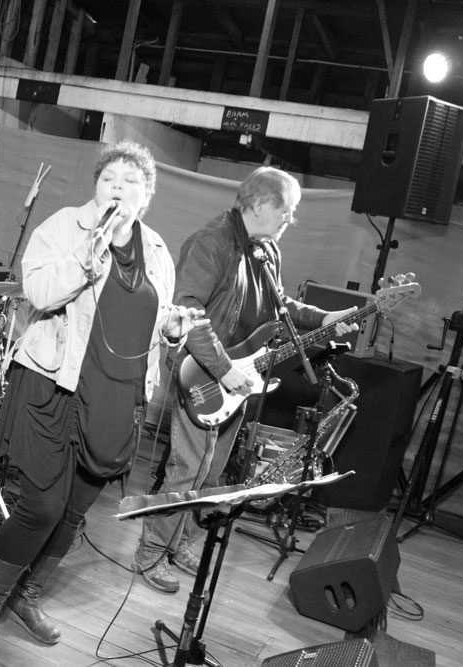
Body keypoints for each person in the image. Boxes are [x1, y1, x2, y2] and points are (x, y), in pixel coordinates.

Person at [0, 140, 205, 661]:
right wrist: (90, 256)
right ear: (96, 187)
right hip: (53, 384)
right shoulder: (65, 227)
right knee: (41, 507)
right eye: (109, 179)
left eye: (130, 182)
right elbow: (40, 294)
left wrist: (173, 331)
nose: (118, 189)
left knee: (72, 514)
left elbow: (153, 323)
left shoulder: (157, 250)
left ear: (147, 196)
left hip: (116, 399)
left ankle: (26, 595)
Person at [134, 166, 358, 594]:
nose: (290, 219)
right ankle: (150, 552)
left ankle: (178, 544)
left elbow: (281, 303)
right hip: (203, 373)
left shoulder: (265, 249)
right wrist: (224, 369)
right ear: (257, 205)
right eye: (286, 210)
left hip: (238, 376)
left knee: (211, 472)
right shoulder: (211, 243)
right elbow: (189, 312)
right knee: (187, 470)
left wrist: (326, 318)